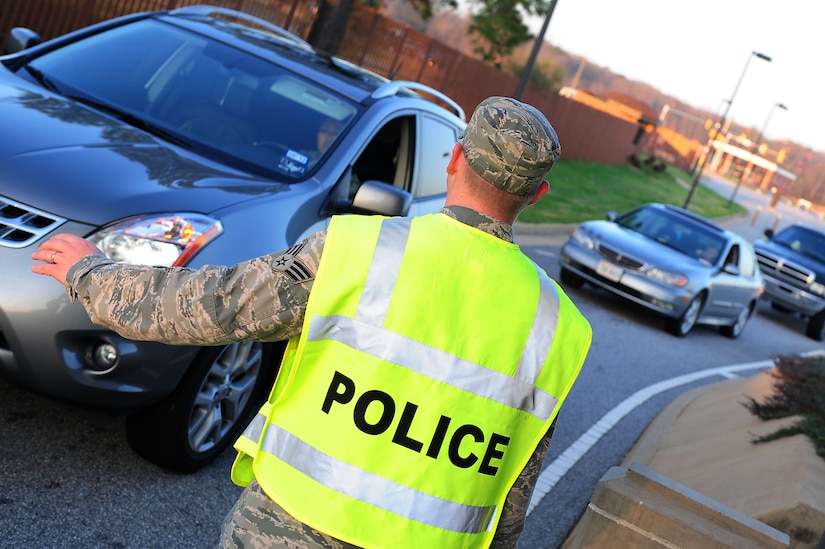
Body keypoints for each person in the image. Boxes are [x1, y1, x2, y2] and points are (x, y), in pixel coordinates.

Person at [32, 96, 592, 549]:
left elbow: (206, 308)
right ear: (537, 195)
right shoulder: (559, 326)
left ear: (453, 159)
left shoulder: (357, 249)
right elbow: (514, 486)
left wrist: (89, 272)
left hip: (291, 530)